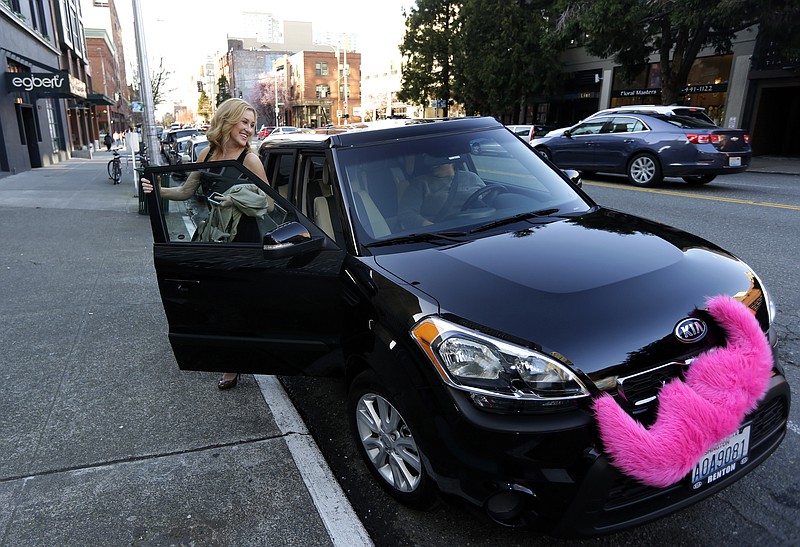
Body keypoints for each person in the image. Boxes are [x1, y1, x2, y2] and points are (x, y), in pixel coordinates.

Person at [141, 97, 269, 391]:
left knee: (238, 302)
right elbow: (186, 192)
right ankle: (230, 359)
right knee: (215, 301)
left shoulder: (250, 160)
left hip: (245, 238)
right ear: (227, 120)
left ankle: (237, 362)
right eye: (244, 122)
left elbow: (270, 202)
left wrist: (237, 199)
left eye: (252, 124)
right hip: (216, 238)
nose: (248, 129)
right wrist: (156, 190)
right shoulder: (207, 154)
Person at [398, 154, 485, 229]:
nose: (433, 163)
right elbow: (406, 213)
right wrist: (434, 228)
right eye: (430, 160)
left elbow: (489, 198)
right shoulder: (420, 183)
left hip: (477, 228)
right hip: (439, 234)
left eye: (437, 159)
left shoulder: (472, 177)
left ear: (451, 160)